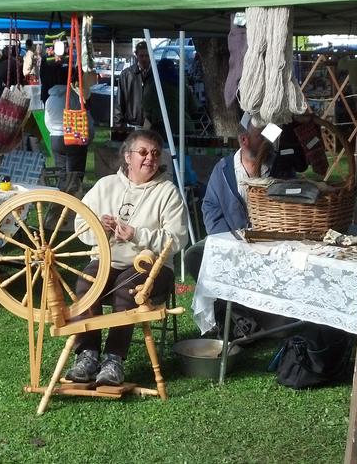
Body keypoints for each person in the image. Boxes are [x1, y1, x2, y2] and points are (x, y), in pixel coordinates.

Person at [66, 130, 188, 386]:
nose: (149, 159)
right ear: (127, 156)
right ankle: (87, 355)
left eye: (155, 153)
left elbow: (177, 239)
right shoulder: (106, 186)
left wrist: (137, 234)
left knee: (128, 289)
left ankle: (113, 360)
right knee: (87, 281)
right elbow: (80, 224)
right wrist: (98, 225)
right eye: (143, 152)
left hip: (152, 266)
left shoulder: (168, 192)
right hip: (108, 261)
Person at [202, 121, 271, 235]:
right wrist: (228, 239)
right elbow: (211, 206)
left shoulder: (279, 167)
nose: (268, 140)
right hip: (233, 244)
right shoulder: (223, 169)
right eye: (261, 135)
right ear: (244, 140)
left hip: (272, 244)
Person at [44, 83, 94, 196]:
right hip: (73, 138)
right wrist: (89, 136)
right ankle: (73, 200)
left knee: (62, 172)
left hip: (55, 138)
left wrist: (54, 131)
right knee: (75, 173)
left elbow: (47, 121)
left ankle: (61, 199)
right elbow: (84, 118)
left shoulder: (50, 99)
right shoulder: (73, 97)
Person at [115, 41, 154, 130]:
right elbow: (119, 102)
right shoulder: (126, 74)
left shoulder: (156, 75)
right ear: (136, 55)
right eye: (141, 56)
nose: (144, 59)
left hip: (152, 125)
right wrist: (118, 126)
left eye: (147, 56)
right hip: (132, 124)